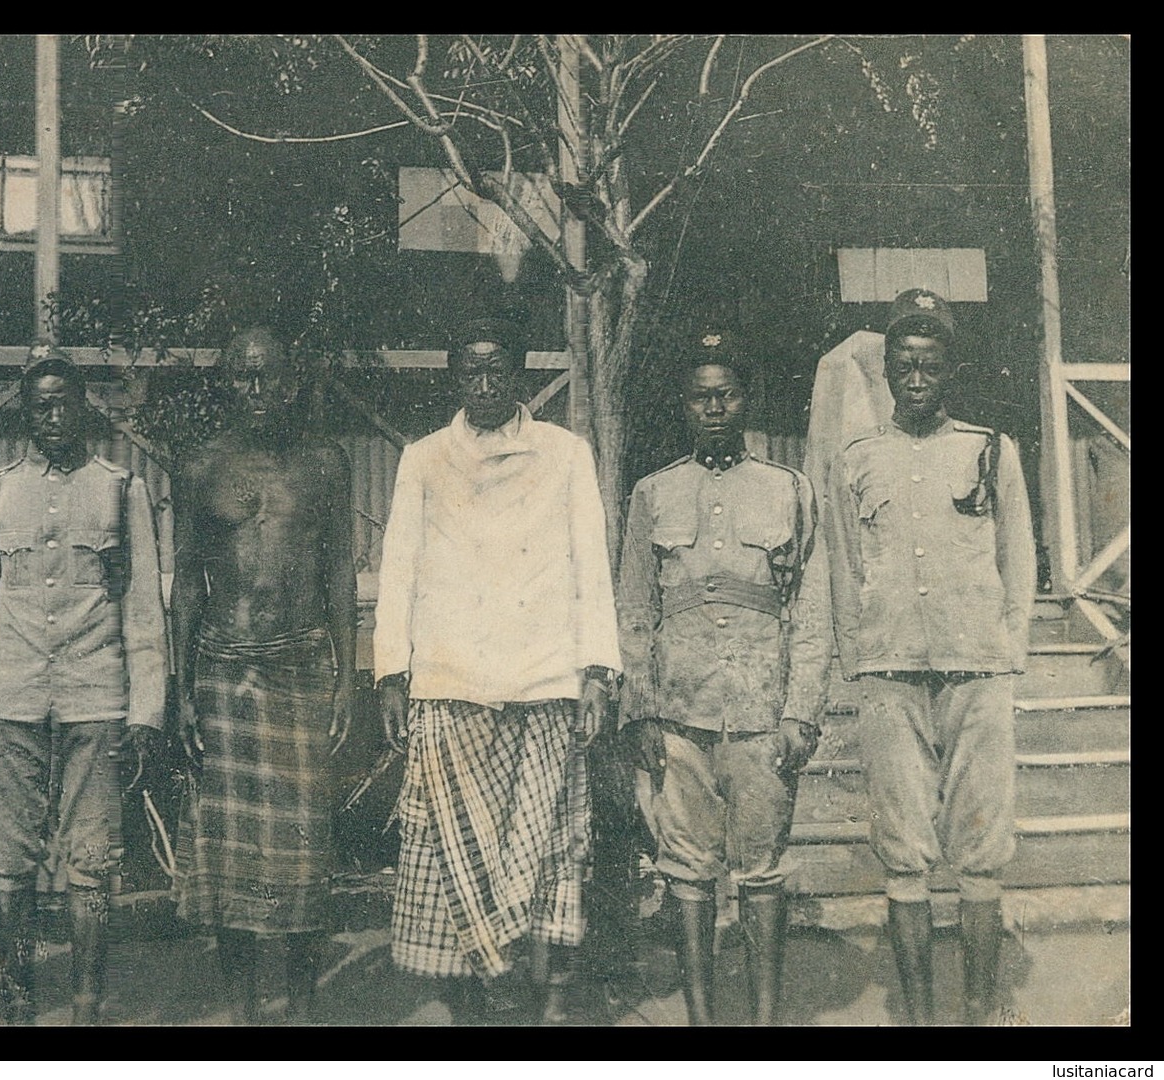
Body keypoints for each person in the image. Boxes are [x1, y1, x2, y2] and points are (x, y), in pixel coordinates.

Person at [373, 315, 621, 1024]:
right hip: (451, 684)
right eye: (469, 371)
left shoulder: (563, 453)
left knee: (545, 848)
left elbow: (589, 565)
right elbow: (399, 573)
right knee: (451, 851)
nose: (482, 384)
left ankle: (547, 1006)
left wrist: (597, 671)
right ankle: (467, 1006)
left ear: (518, 376)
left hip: (543, 683)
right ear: (454, 377)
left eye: (496, 370)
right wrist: (392, 674)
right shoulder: (422, 458)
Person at [824, 289, 1035, 1025]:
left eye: (930, 366)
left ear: (948, 372)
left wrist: (1007, 650)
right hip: (889, 675)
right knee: (904, 848)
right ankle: (916, 1022)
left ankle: (976, 1013)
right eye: (904, 366)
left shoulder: (987, 449)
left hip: (975, 670)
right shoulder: (855, 462)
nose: (916, 379)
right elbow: (844, 567)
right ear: (885, 370)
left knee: (979, 845)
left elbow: (1018, 556)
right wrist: (857, 656)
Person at [614, 333, 832, 1025]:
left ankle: (765, 1021)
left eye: (726, 394)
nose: (713, 408)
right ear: (684, 406)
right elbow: (633, 608)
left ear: (746, 400)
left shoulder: (787, 490)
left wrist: (801, 712)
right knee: (685, 869)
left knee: (761, 869)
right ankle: (703, 1023)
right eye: (699, 397)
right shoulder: (652, 493)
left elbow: (812, 608)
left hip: (760, 712)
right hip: (679, 716)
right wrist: (641, 711)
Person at [0, 346, 168, 1025]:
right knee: (7, 866)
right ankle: (18, 1003)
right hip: (9, 700)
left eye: (63, 402)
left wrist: (146, 711)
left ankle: (85, 1007)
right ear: (26, 414)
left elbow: (141, 609)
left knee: (92, 864)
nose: (52, 416)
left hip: (95, 696)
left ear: (83, 409)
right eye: (39, 405)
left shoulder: (120, 489)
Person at [169, 327, 357, 1023]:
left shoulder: (323, 465)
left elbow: (339, 571)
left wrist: (341, 675)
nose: (256, 390)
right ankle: (246, 1013)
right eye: (242, 376)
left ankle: (302, 1012)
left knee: (304, 857)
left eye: (268, 376)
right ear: (228, 382)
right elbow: (187, 582)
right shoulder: (200, 467)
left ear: (289, 381)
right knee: (230, 864)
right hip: (223, 671)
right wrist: (181, 689)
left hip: (301, 666)